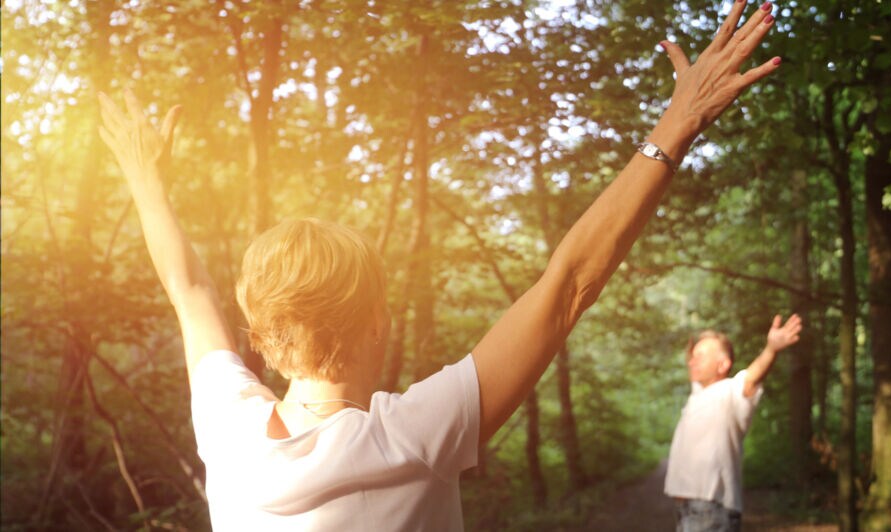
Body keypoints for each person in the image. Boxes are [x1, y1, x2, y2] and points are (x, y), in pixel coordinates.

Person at [96, 1, 781, 529]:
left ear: (264, 335)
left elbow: (187, 288)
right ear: (375, 324)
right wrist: (677, 122)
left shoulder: (227, 428)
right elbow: (569, 283)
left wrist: (144, 179)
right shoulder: (416, 435)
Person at [664, 314, 803, 532]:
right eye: (692, 357)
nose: (692, 361)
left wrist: (771, 349)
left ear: (723, 365)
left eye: (700, 356)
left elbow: (753, 377)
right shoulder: (698, 394)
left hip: (711, 509)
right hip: (687, 509)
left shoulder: (731, 392)